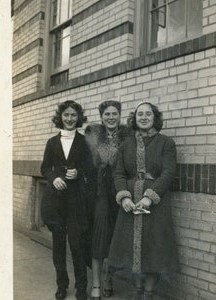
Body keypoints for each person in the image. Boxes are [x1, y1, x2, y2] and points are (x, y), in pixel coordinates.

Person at [108, 102, 179, 300]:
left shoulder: (166, 143)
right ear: (134, 118)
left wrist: (149, 197)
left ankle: (148, 294)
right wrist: (123, 197)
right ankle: (136, 292)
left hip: (156, 206)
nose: (144, 117)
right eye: (140, 114)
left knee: (153, 250)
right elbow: (119, 173)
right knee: (130, 251)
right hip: (129, 205)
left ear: (155, 118)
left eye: (148, 114)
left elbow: (168, 173)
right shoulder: (126, 145)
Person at [40, 100, 95, 300]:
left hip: (76, 202)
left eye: (73, 115)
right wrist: (54, 178)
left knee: (78, 246)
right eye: (66, 115)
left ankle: (82, 288)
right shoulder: (52, 142)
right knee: (59, 246)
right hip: (55, 203)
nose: (70, 119)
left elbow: (90, 168)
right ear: (60, 118)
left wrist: (78, 172)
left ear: (78, 118)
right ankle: (62, 285)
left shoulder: (83, 142)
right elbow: (44, 168)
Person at [84, 100, 131, 300]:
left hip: (120, 193)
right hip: (99, 194)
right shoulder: (93, 136)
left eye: (114, 114)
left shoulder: (127, 136)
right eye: (107, 114)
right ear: (101, 117)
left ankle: (108, 279)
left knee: (114, 239)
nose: (111, 117)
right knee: (99, 237)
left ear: (119, 116)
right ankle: (96, 283)